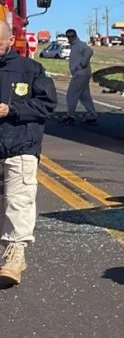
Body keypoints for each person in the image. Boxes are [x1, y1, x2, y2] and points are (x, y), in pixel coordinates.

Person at [0, 21, 59, 287]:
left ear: (10, 40)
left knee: (18, 200)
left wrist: (11, 110)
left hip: (21, 144)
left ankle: (15, 255)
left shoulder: (31, 69)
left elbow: (47, 105)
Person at [62, 29, 97, 126]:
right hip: (82, 73)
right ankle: (92, 115)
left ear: (75, 36)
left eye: (72, 36)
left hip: (80, 73)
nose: (70, 38)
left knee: (71, 94)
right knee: (84, 95)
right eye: (68, 37)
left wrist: (82, 64)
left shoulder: (79, 44)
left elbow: (89, 51)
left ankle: (70, 116)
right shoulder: (74, 46)